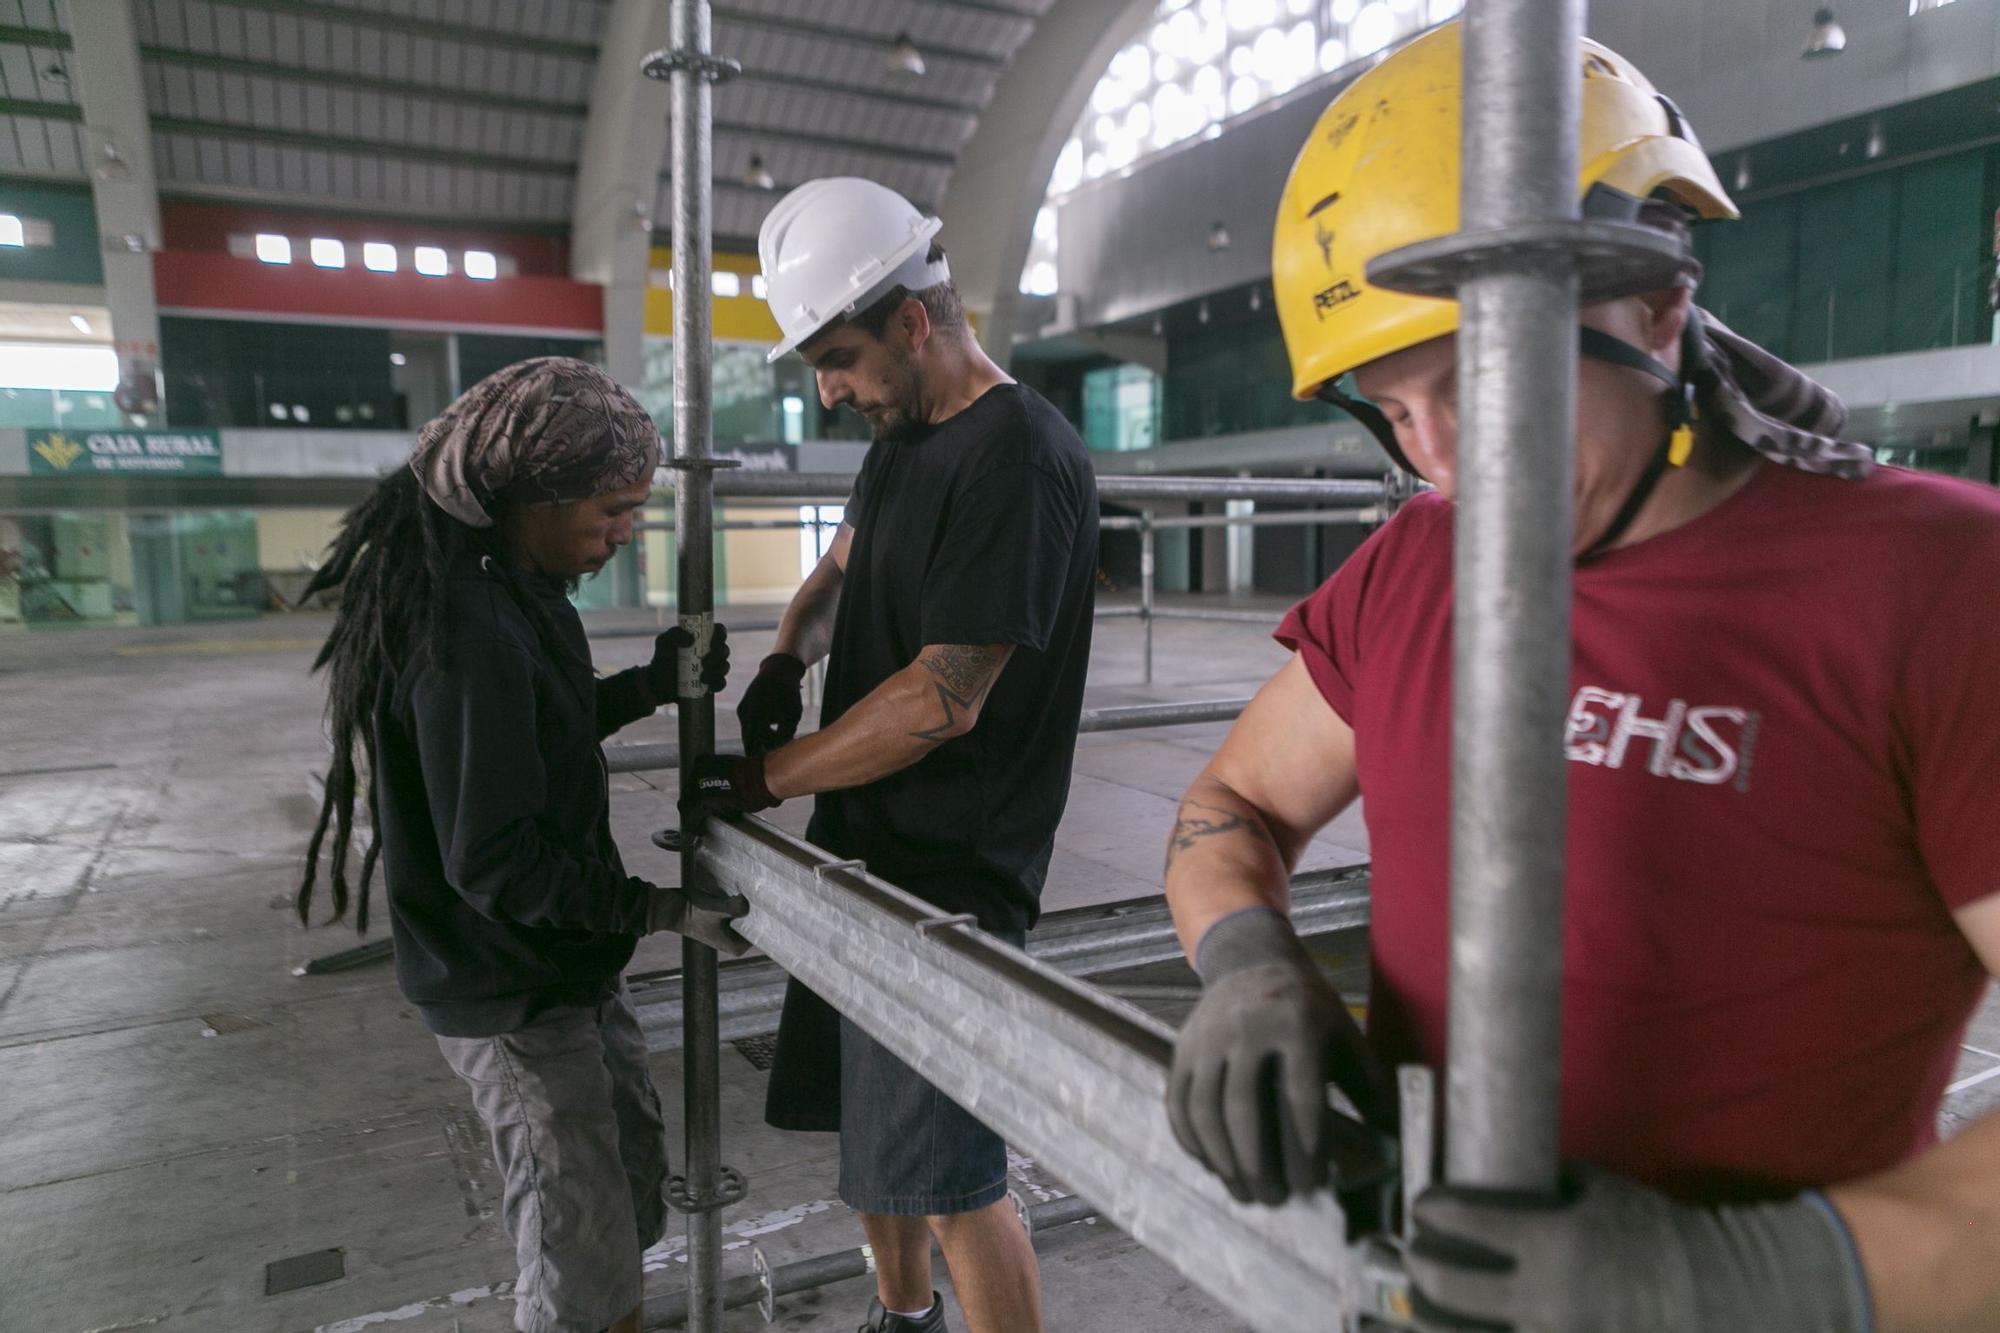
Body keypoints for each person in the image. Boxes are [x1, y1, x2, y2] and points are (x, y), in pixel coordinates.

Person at [1162, 23, 2000, 1332]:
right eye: (1392, 411)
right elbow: (1234, 807)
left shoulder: (1942, 588)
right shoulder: (1409, 570)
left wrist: (1740, 1282)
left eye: (1479, 376)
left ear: (1660, 301)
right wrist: (1249, 955)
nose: (1443, 462)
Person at [679, 178, 1100, 1333]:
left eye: (841, 358)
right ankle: (901, 1317)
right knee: (877, 1153)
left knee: (955, 1177)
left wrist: (766, 776)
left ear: (914, 322)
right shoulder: (900, 437)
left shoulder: (1015, 456)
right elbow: (837, 575)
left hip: (950, 880)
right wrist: (780, 657)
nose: (828, 389)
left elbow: (940, 700)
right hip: (863, 848)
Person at [298, 357, 748, 1333]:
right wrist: (662, 908)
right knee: (576, 1257)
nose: (625, 530)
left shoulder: (512, 580)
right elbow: (496, 856)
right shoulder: (468, 630)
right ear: (529, 496)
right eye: (611, 509)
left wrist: (643, 686)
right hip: (508, 985)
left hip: (561, 963)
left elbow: (530, 736)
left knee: (619, 1204)